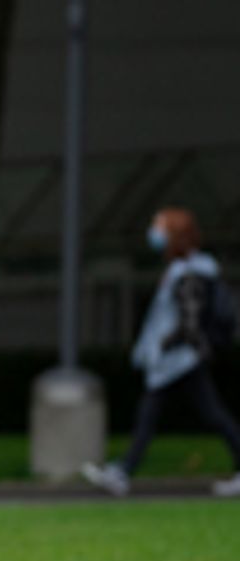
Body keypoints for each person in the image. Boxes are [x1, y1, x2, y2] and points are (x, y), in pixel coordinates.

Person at [82, 207, 240, 498]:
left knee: (164, 412)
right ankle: (123, 470)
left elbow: (188, 320)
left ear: (174, 235)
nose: (153, 233)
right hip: (178, 359)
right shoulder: (184, 270)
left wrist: (166, 344)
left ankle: (123, 472)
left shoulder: (190, 273)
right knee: (204, 413)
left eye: (159, 227)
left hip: (180, 359)